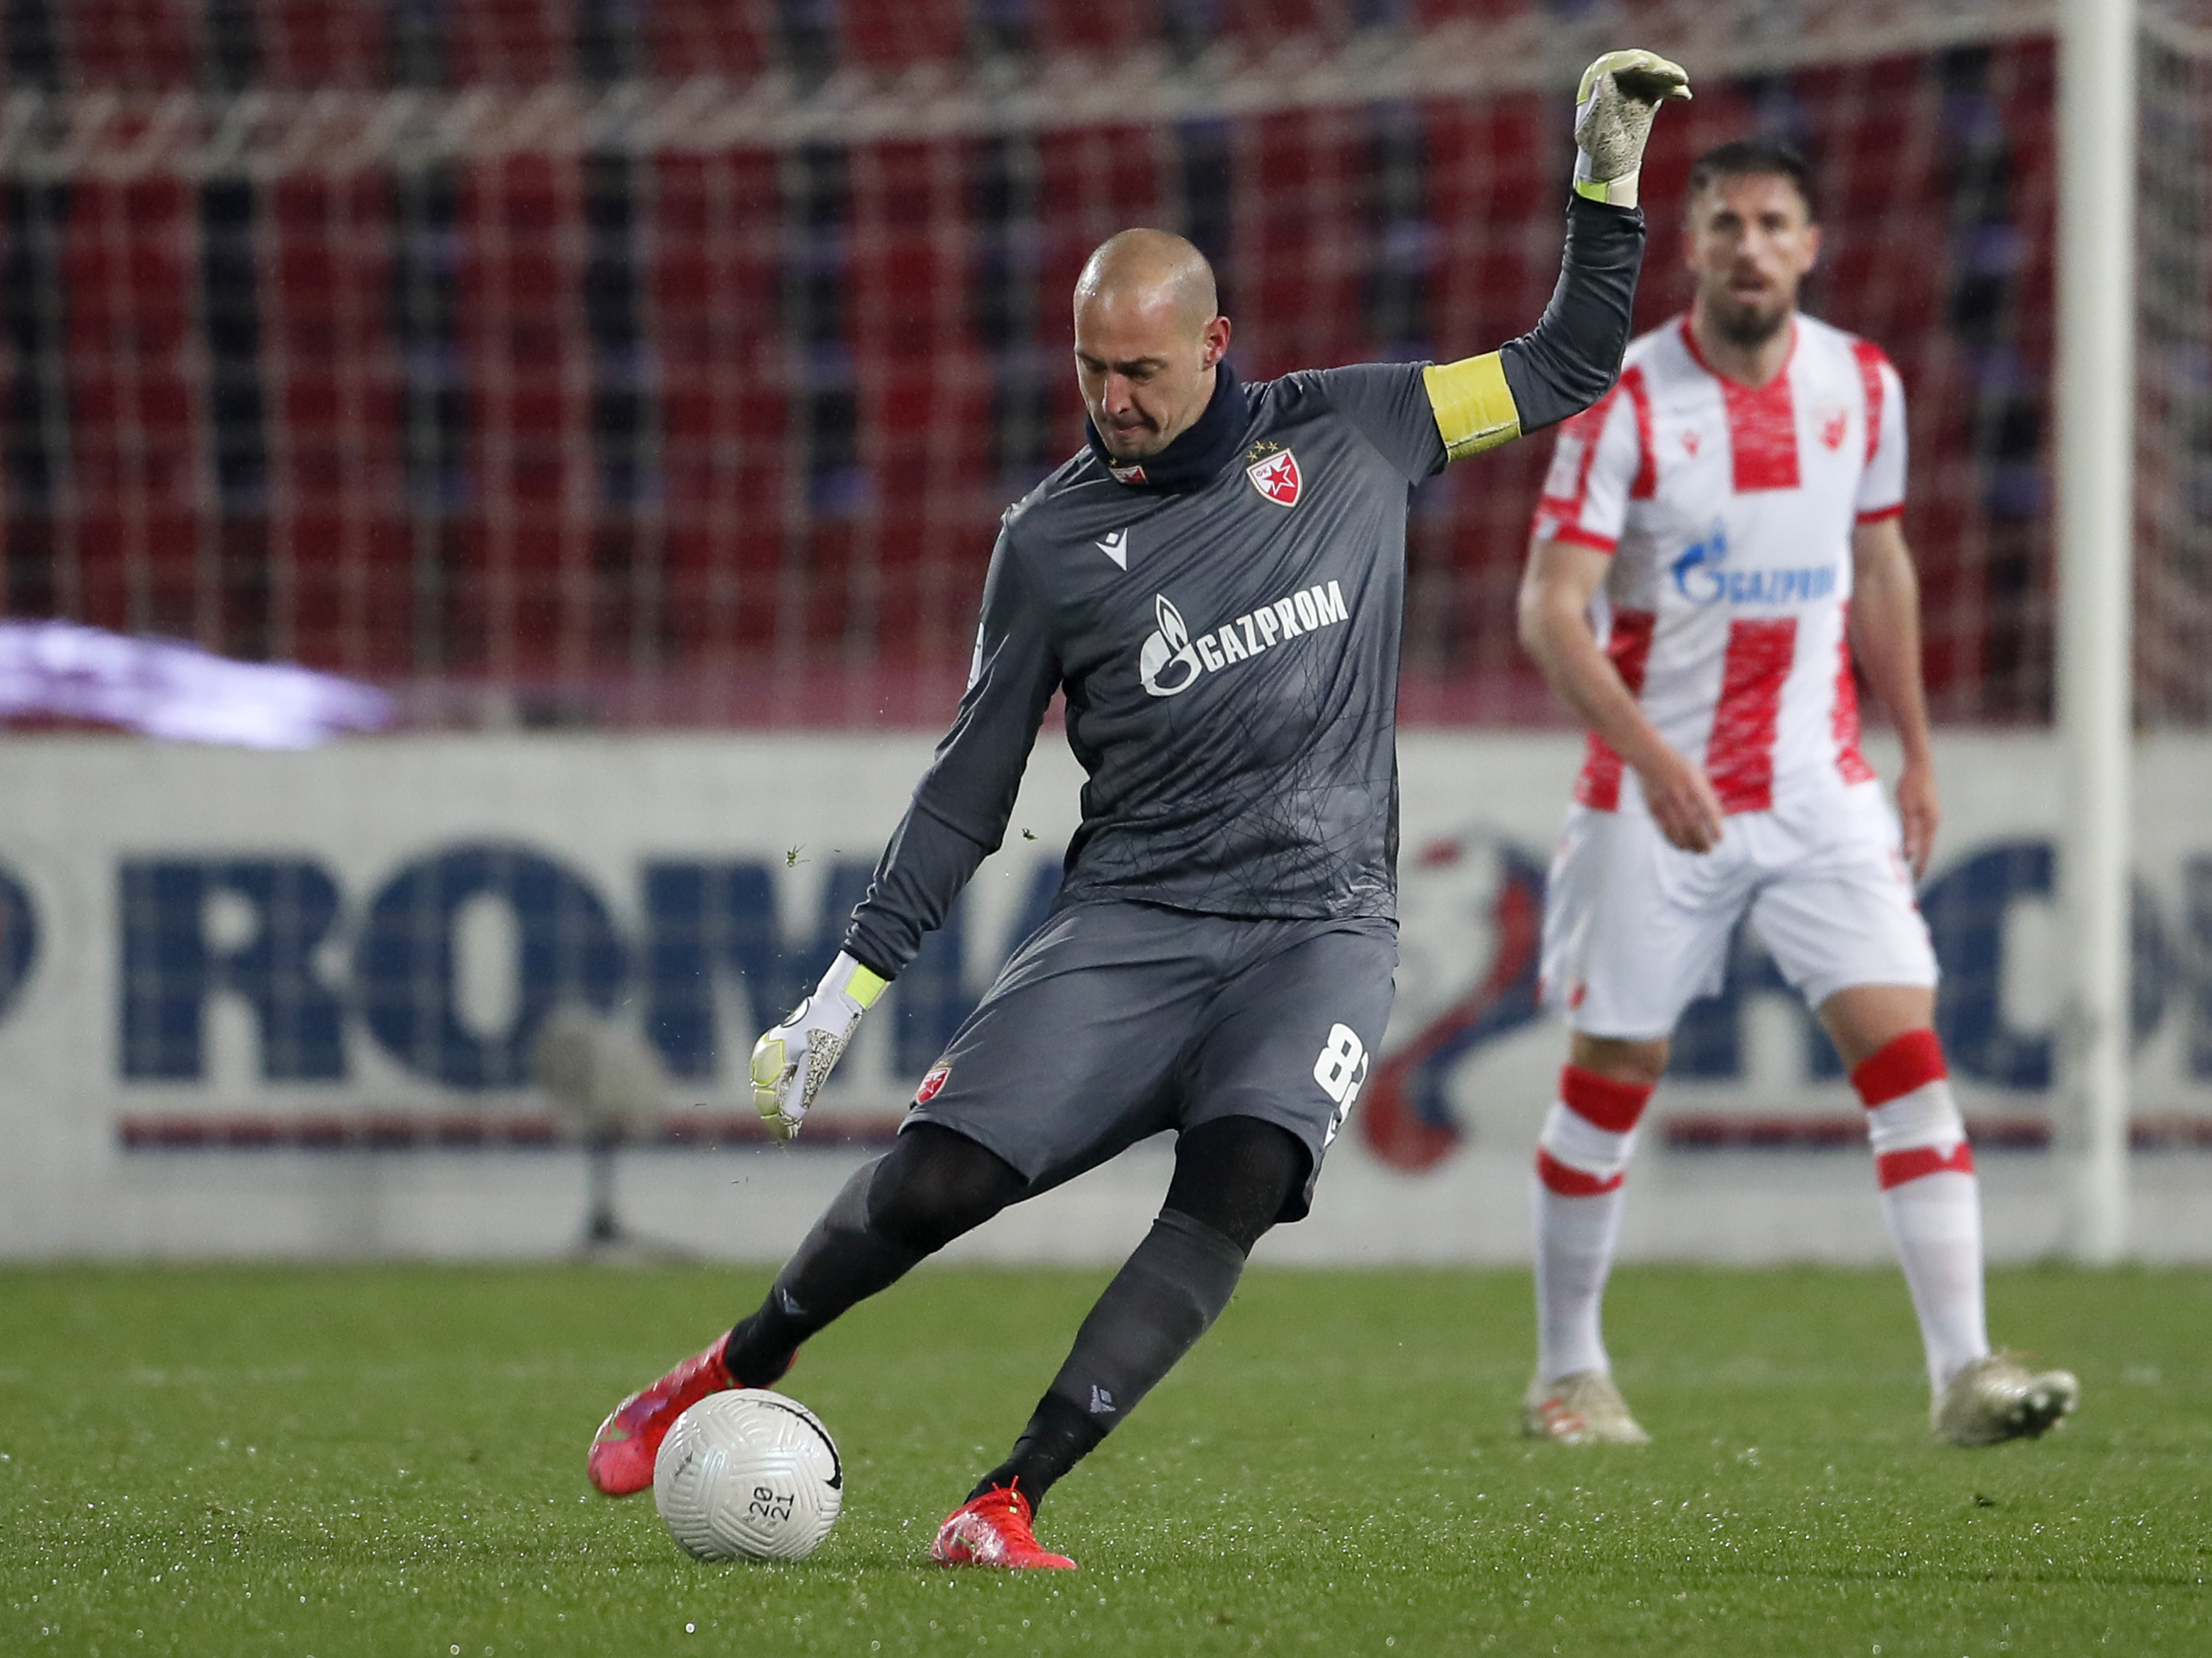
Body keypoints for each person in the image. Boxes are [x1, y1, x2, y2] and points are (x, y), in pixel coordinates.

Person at [581, 51, 1692, 1569]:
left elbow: (1566, 363)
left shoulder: (1367, 430)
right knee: (939, 1186)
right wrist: (844, 990)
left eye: (1142, 374)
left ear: (1214, 343)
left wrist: (1604, 178)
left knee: (1236, 1182)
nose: (1111, 401)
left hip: (1321, 930)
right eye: (1091, 369)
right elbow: (972, 783)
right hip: (1133, 921)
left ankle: (1005, 1497)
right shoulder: (1047, 541)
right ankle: (735, 1361)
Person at [1513, 137, 2076, 1450]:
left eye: (1773, 223)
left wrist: (1917, 751)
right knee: (1615, 1068)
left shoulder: (1861, 384)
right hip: (1654, 793)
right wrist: (1651, 759)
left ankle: (1962, 1375)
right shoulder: (1624, 403)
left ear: (1809, 245)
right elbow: (1550, 613)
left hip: (1819, 786)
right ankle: (1565, 1374)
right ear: (1692, 246)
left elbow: (1877, 567)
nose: (1750, 247)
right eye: (1724, 224)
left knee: (1905, 1056)